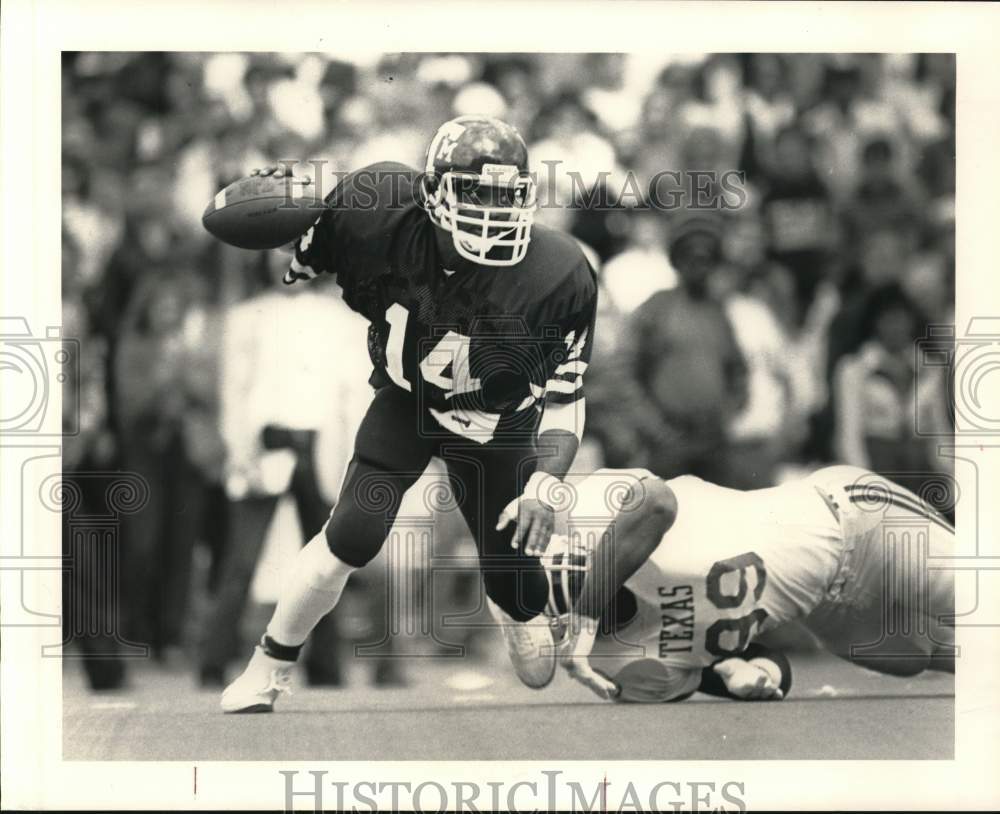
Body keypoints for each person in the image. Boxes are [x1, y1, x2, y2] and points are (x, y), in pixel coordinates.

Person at [220, 115, 598, 712]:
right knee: (351, 535)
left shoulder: (559, 273)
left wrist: (544, 486)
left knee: (521, 603)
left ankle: (515, 603)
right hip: (407, 400)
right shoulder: (375, 214)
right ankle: (267, 668)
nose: (492, 211)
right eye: (474, 191)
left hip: (496, 428)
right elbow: (306, 245)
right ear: (431, 191)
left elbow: (566, 398)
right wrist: (288, 208)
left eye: (506, 195)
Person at [550, 465, 954, 703]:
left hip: (856, 522)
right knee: (946, 657)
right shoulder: (617, 664)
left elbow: (655, 500)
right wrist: (748, 672)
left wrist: (586, 617)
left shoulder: (606, 519)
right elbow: (754, 665)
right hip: (825, 611)